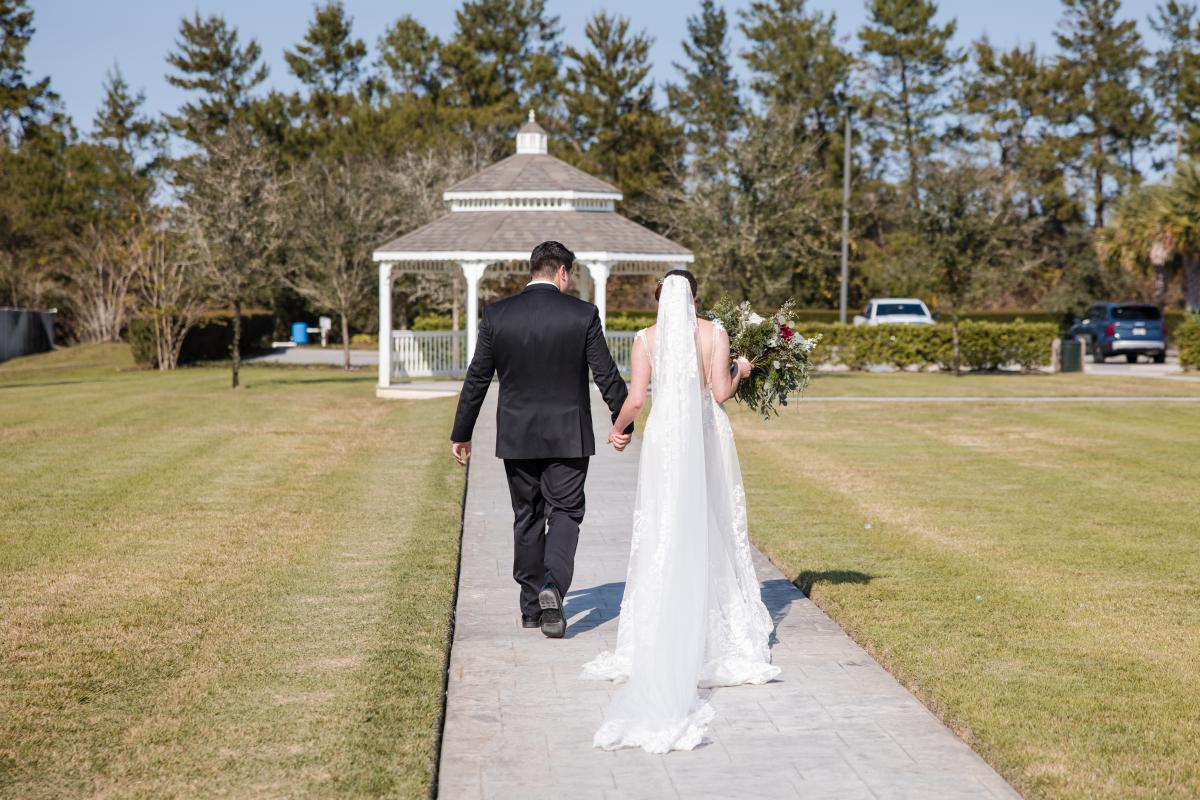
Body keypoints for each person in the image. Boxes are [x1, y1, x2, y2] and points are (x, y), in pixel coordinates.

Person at [582, 270, 780, 753]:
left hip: (668, 435)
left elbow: (634, 399)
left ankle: (661, 615)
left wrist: (618, 429)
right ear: (694, 297)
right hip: (704, 434)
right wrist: (743, 371)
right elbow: (718, 394)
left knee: (664, 522)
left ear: (659, 300)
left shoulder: (645, 339)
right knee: (709, 518)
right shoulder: (715, 333)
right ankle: (710, 618)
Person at [449, 241, 632, 638]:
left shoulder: (498, 315)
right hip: (569, 435)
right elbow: (606, 374)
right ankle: (553, 586)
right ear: (562, 272)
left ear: (533, 270)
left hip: (517, 437)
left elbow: (478, 376)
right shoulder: (583, 315)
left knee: (527, 516)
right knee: (565, 513)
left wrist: (462, 432)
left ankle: (531, 609)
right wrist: (623, 421)